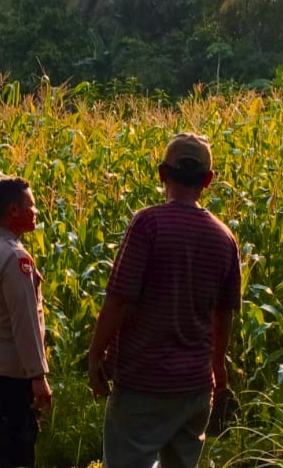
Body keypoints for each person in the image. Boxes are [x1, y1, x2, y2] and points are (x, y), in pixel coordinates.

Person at [88, 132, 242, 468]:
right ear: (208, 180)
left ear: (162, 173)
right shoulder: (224, 238)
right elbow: (224, 314)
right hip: (195, 387)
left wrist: (95, 353)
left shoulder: (148, 224)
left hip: (142, 381)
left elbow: (119, 298)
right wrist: (217, 367)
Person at [0, 176, 52, 468]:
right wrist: (38, 376)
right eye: (31, 205)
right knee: (18, 455)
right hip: (10, 374)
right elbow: (25, 323)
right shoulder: (16, 258)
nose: (36, 211)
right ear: (13, 210)